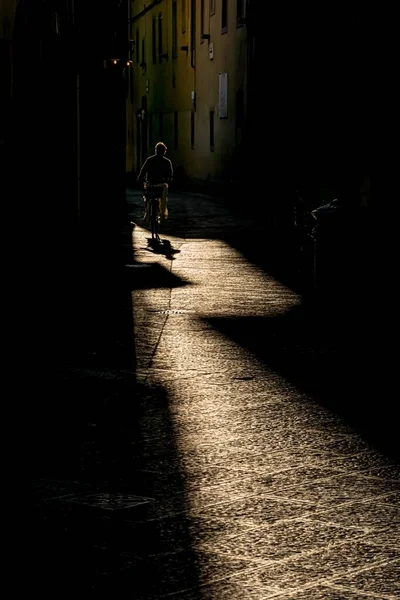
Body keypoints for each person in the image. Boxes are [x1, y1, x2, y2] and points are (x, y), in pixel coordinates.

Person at [137, 142, 173, 224]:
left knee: (147, 198)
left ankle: (147, 214)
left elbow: (143, 171)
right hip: (159, 184)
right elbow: (170, 175)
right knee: (163, 198)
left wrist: (140, 178)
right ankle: (162, 216)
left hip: (151, 184)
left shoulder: (150, 160)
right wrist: (168, 179)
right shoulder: (167, 162)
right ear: (164, 151)